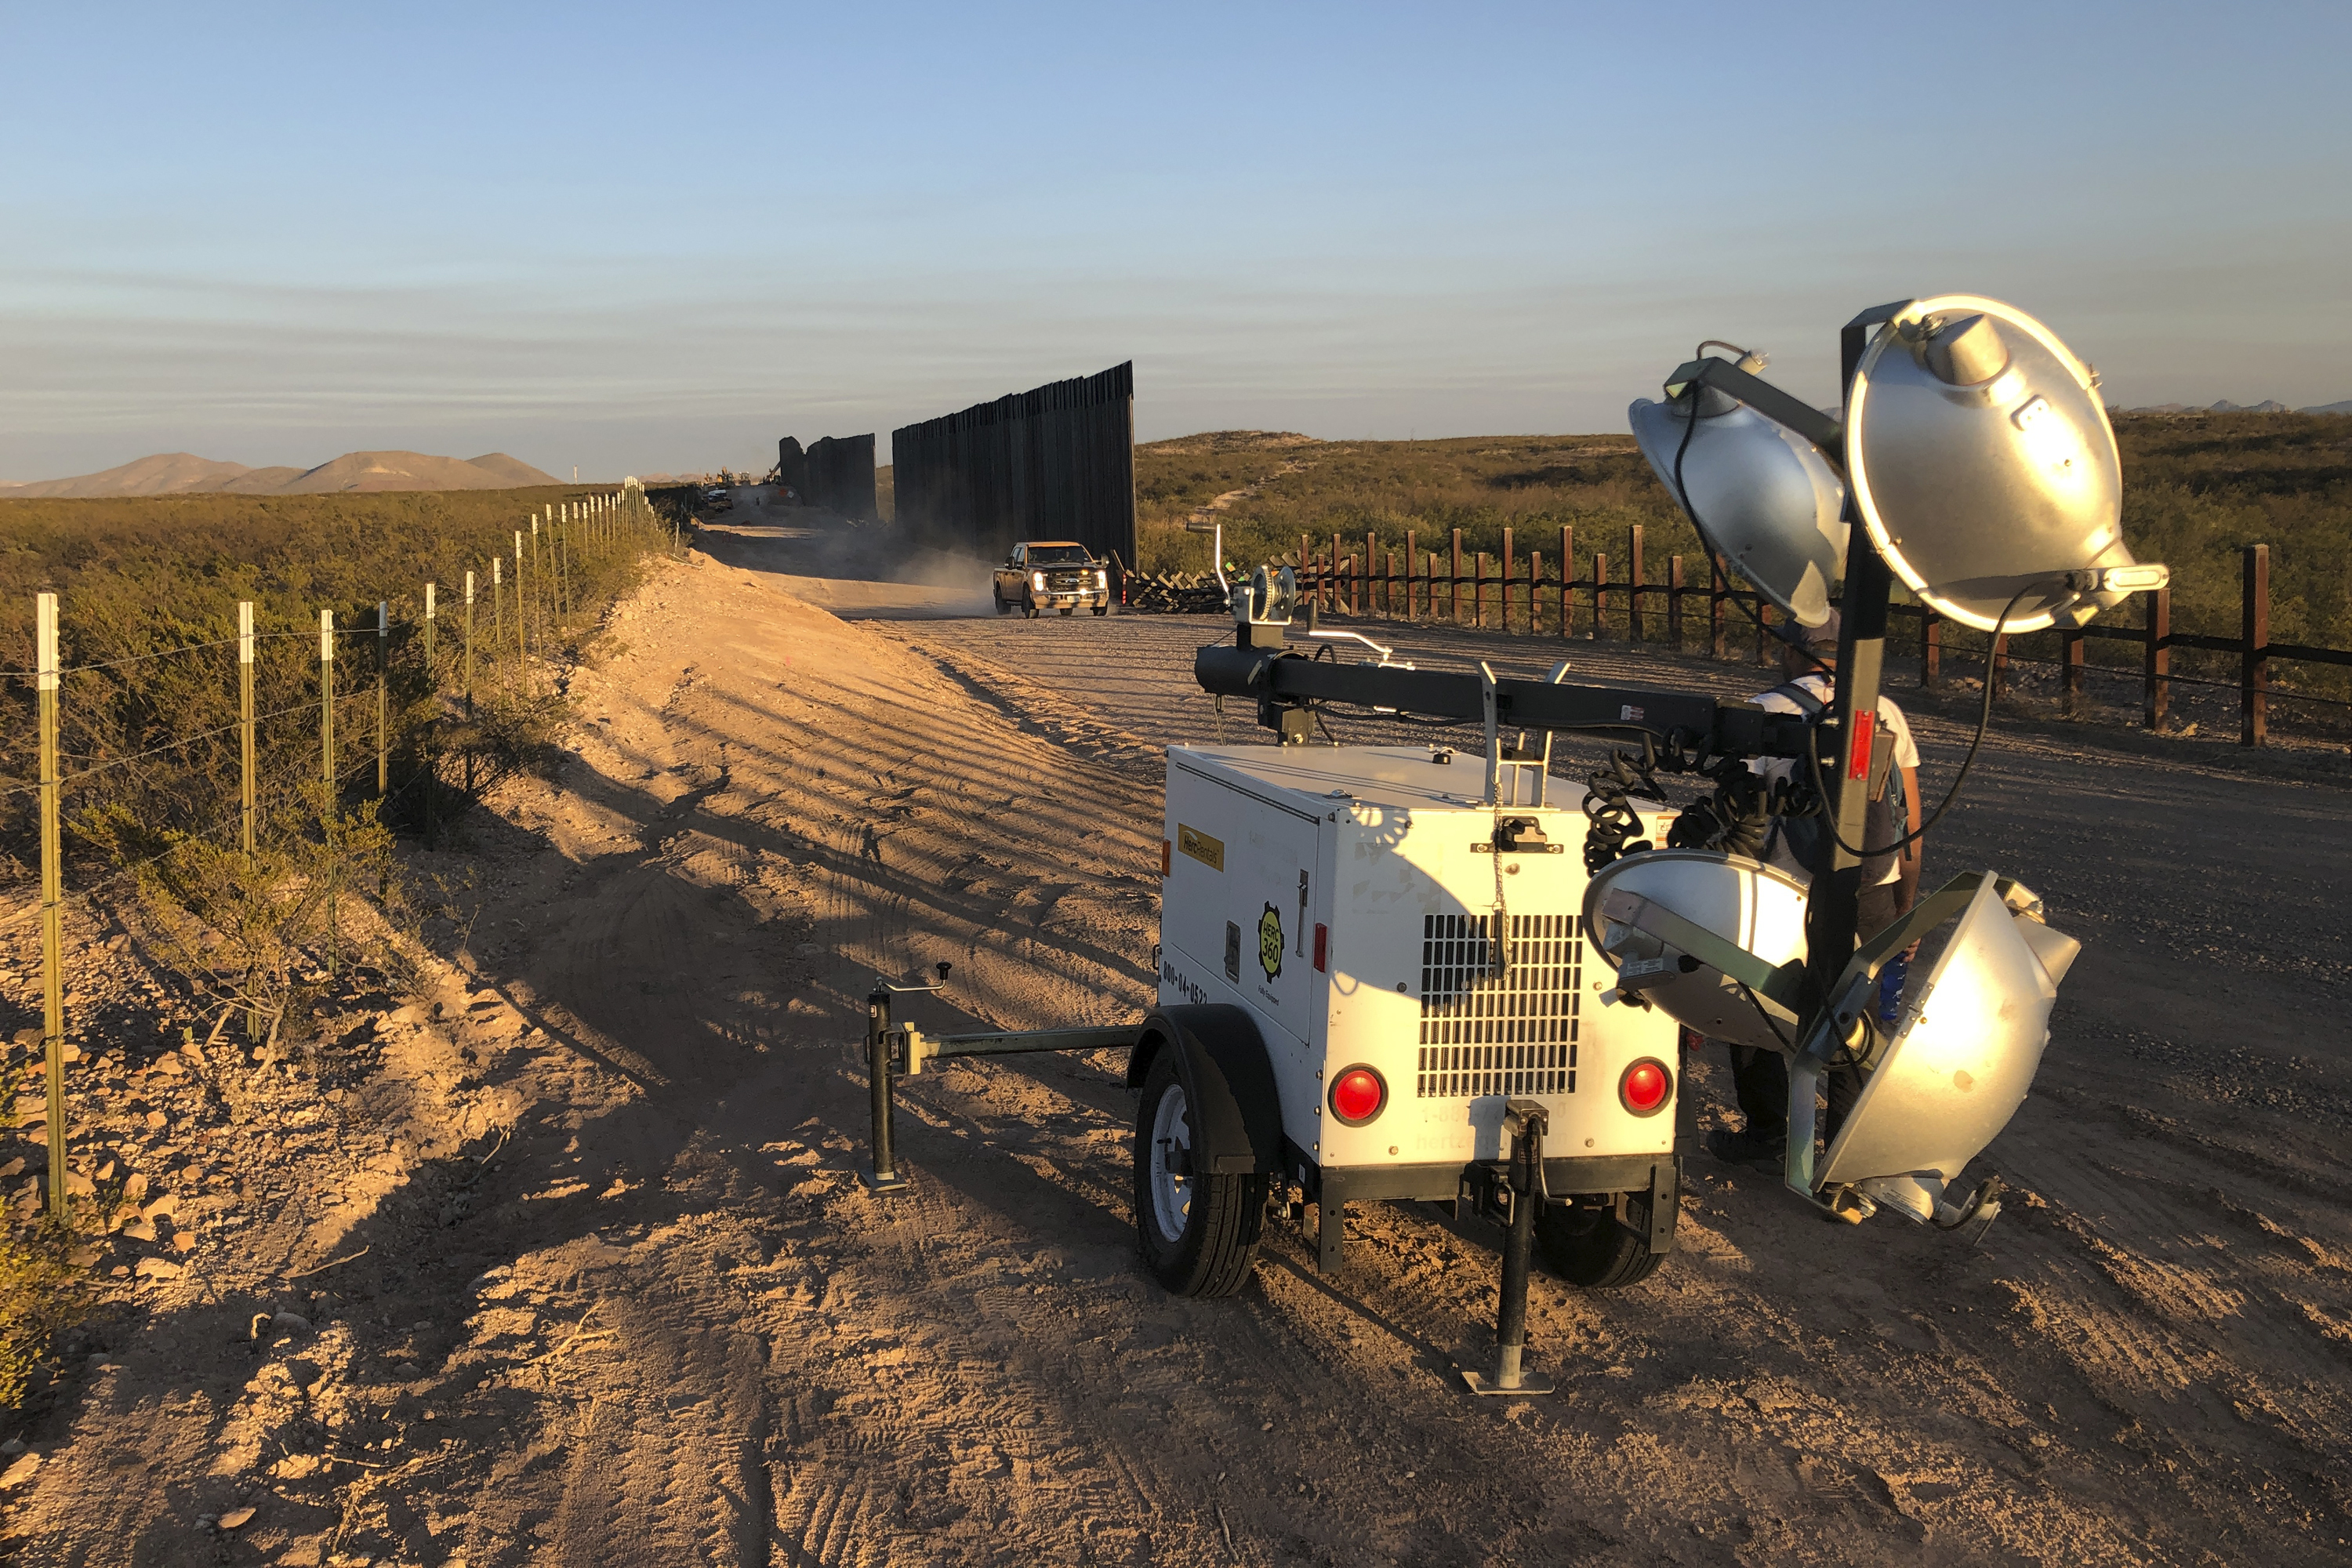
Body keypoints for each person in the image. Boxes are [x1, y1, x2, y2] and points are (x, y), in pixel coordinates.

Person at [1707, 612, 1925, 1166]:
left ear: (1789, 651)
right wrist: (1905, 907)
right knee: (1858, 1015)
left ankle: (1768, 1133)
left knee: (1754, 1002)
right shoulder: (1886, 712)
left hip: (1784, 885)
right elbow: (1910, 820)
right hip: (1870, 885)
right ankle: (1843, 1152)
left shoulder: (1764, 711)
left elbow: (1736, 816)